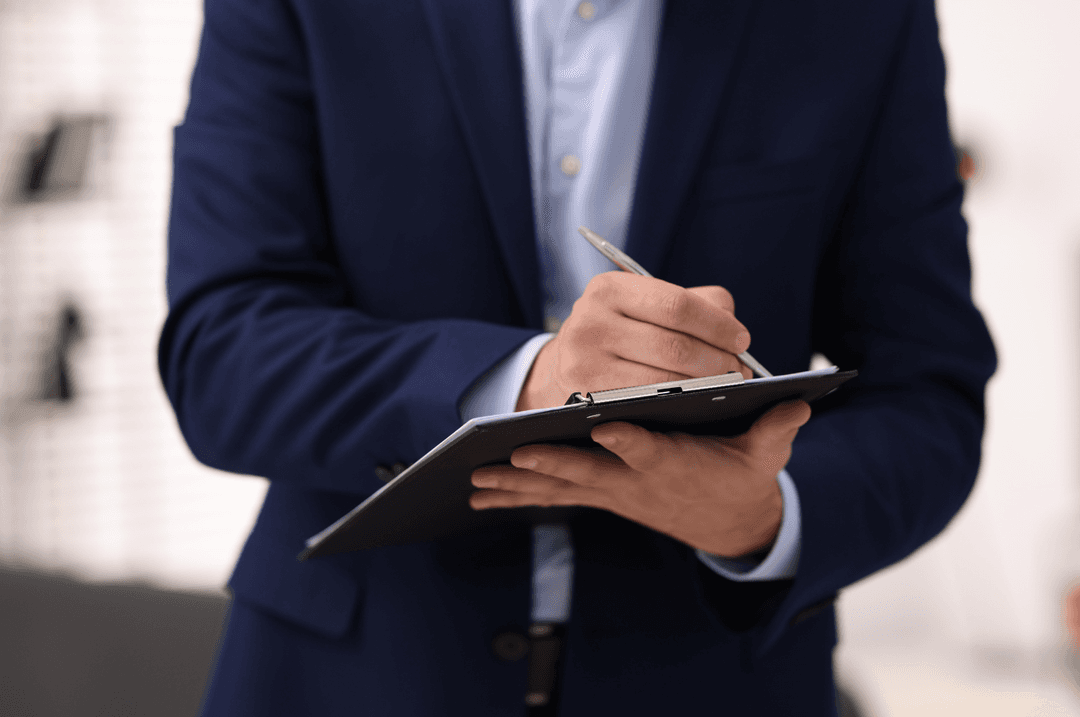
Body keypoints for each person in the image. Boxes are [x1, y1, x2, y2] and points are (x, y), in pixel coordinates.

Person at [159, 0, 996, 714]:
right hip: (351, 677)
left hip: (716, 682)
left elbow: (930, 393)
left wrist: (762, 516)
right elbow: (221, 351)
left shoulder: (864, 18)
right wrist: (529, 382)